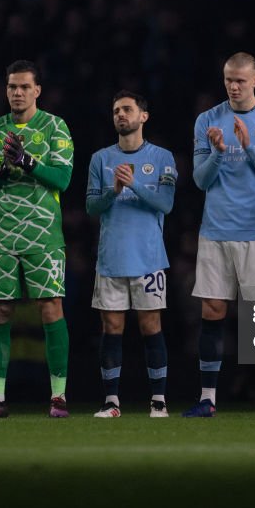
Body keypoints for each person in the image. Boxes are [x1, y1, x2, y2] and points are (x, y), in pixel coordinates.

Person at [184, 52, 255, 418]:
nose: (233, 86)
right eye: (229, 79)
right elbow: (200, 180)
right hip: (215, 231)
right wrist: (218, 153)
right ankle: (208, 399)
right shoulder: (208, 120)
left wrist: (247, 147)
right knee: (212, 310)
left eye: (241, 80)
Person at [0, 60, 74, 418]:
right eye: (12, 86)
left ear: (37, 91)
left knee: (51, 308)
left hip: (44, 233)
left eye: (24, 87)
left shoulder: (55, 127)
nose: (17, 92)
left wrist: (27, 162)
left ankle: (58, 397)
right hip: (1, 235)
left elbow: (62, 180)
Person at [86, 92, 176, 418]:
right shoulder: (100, 159)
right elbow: (91, 207)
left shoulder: (162, 157)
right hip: (111, 257)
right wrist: (114, 190)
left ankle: (159, 402)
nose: (120, 115)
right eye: (116, 111)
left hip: (149, 258)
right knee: (112, 329)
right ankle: (111, 402)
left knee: (151, 326)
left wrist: (134, 183)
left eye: (127, 109)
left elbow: (166, 205)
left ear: (143, 116)